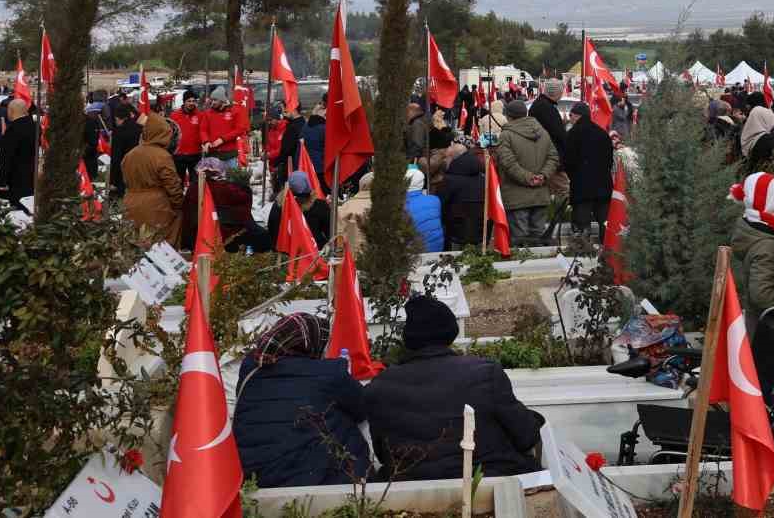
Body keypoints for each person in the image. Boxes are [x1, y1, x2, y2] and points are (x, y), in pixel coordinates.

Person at [367, 296, 545, 479]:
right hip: (488, 481)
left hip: (411, 491)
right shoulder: (485, 373)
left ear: (408, 339)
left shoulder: (380, 387)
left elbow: (382, 453)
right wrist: (534, 418)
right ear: (451, 332)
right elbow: (526, 437)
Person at [233, 313, 370, 486]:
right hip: (316, 478)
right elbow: (362, 408)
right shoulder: (329, 372)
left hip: (255, 477)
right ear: (310, 343)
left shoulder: (251, 369)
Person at [729, 172, 774, 440]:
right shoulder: (767, 246)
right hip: (771, 329)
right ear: (768, 204)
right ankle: (771, 436)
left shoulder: (763, 232)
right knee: (773, 386)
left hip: (766, 328)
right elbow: (761, 294)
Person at [496, 98, 558, 246]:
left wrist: (529, 178)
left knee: (519, 242)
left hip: (517, 197)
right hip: (540, 194)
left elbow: (508, 163)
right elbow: (553, 157)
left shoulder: (506, 135)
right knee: (538, 240)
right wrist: (542, 176)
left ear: (508, 116)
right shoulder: (543, 132)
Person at [120, 113, 184, 247]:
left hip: (130, 203)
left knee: (134, 246)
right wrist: (178, 204)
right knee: (159, 248)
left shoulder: (130, 154)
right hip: (157, 207)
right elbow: (172, 185)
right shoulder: (162, 156)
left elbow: (125, 179)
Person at [562, 102, 615, 241]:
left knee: (582, 227)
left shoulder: (572, 134)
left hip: (582, 188)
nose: (570, 118)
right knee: (605, 224)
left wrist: (574, 177)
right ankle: (607, 254)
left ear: (577, 115)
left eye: (571, 115)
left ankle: (581, 256)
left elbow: (567, 161)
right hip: (603, 186)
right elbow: (610, 160)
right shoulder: (602, 133)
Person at [269, 170, 331, 251]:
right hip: (313, 252)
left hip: (284, 251)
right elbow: (330, 232)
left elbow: (272, 230)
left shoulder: (277, 206)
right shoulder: (319, 206)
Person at [0, 98, 37, 211]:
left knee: (18, 208)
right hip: (33, 173)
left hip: (16, 177)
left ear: (11, 111)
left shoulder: (13, 130)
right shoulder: (34, 126)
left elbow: (6, 158)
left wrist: (2, 181)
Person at [405, 167, 444, 252]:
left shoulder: (400, 204)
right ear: (422, 183)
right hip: (437, 248)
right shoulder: (435, 200)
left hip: (413, 252)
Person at [108, 102, 141, 199]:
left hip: (123, 171)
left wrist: (112, 180)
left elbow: (116, 158)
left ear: (118, 117)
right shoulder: (140, 128)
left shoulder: (119, 132)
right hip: (139, 169)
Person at [529, 79, 569, 158]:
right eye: (562, 93)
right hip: (548, 154)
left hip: (539, 150)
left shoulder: (539, 103)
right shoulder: (547, 108)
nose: (562, 95)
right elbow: (558, 134)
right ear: (557, 93)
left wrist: (562, 123)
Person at [336, 172, 373, 254]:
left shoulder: (344, 207)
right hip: (375, 259)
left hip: (349, 259)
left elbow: (338, 238)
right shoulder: (384, 205)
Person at [171, 91, 204, 179]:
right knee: (178, 181)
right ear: (184, 102)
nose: (191, 103)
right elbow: (170, 133)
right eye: (189, 101)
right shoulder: (174, 115)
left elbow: (203, 131)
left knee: (195, 183)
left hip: (195, 154)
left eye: (193, 101)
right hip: (179, 154)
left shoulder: (200, 115)